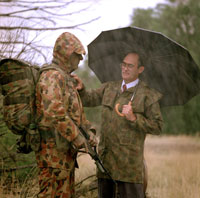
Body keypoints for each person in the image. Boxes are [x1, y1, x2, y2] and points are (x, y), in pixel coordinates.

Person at [77, 52, 163, 198]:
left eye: (130, 65)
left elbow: (157, 126)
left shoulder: (147, 94)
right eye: (123, 64)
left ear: (140, 69)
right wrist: (82, 89)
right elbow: (89, 99)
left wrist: (135, 118)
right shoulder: (109, 87)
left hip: (129, 168)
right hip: (106, 163)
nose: (125, 68)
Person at [35, 32, 97, 198]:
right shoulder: (51, 76)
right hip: (52, 156)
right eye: (78, 56)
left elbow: (75, 113)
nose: (80, 61)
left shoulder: (65, 78)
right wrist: (77, 138)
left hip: (64, 155)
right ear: (67, 55)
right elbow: (54, 111)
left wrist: (88, 132)